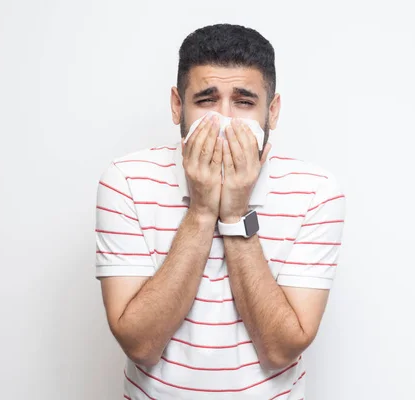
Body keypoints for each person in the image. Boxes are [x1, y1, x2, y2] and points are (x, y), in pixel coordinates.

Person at [94, 23, 347, 399]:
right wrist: (201, 211)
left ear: (272, 112)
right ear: (177, 106)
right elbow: (141, 345)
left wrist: (236, 212)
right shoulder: (126, 181)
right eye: (206, 100)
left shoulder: (316, 192)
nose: (225, 121)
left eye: (244, 102)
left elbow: (280, 350)